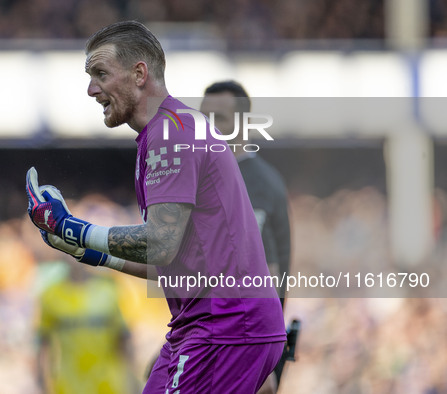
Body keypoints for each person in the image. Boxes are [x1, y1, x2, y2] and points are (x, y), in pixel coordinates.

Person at [26, 21, 286, 393]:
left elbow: (160, 243)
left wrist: (74, 228)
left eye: (100, 74)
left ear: (139, 74)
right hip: (212, 325)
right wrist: (89, 252)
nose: (90, 89)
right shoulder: (167, 132)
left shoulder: (170, 134)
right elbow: (172, 260)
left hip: (224, 326)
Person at [200, 81, 293, 393]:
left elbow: (267, 273)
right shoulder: (204, 174)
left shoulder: (259, 183)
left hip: (244, 340)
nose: (209, 128)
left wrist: (261, 356)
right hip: (209, 332)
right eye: (204, 118)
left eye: (220, 119)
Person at [35, 260, 135, 394]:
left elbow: (123, 341)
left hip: (107, 385)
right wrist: (43, 383)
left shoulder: (109, 289)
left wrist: (132, 382)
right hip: (68, 386)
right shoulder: (51, 294)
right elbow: (43, 345)